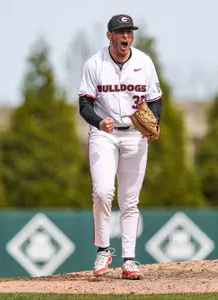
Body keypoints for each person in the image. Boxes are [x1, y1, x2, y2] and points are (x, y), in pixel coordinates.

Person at [78, 13, 163, 280]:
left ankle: (129, 260)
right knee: (103, 192)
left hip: (135, 135)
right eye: (120, 31)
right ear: (109, 36)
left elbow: (156, 99)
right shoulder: (95, 63)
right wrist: (97, 121)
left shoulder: (144, 62)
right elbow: (84, 104)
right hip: (104, 134)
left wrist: (155, 123)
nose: (126, 36)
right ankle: (103, 250)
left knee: (130, 200)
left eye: (129, 31)